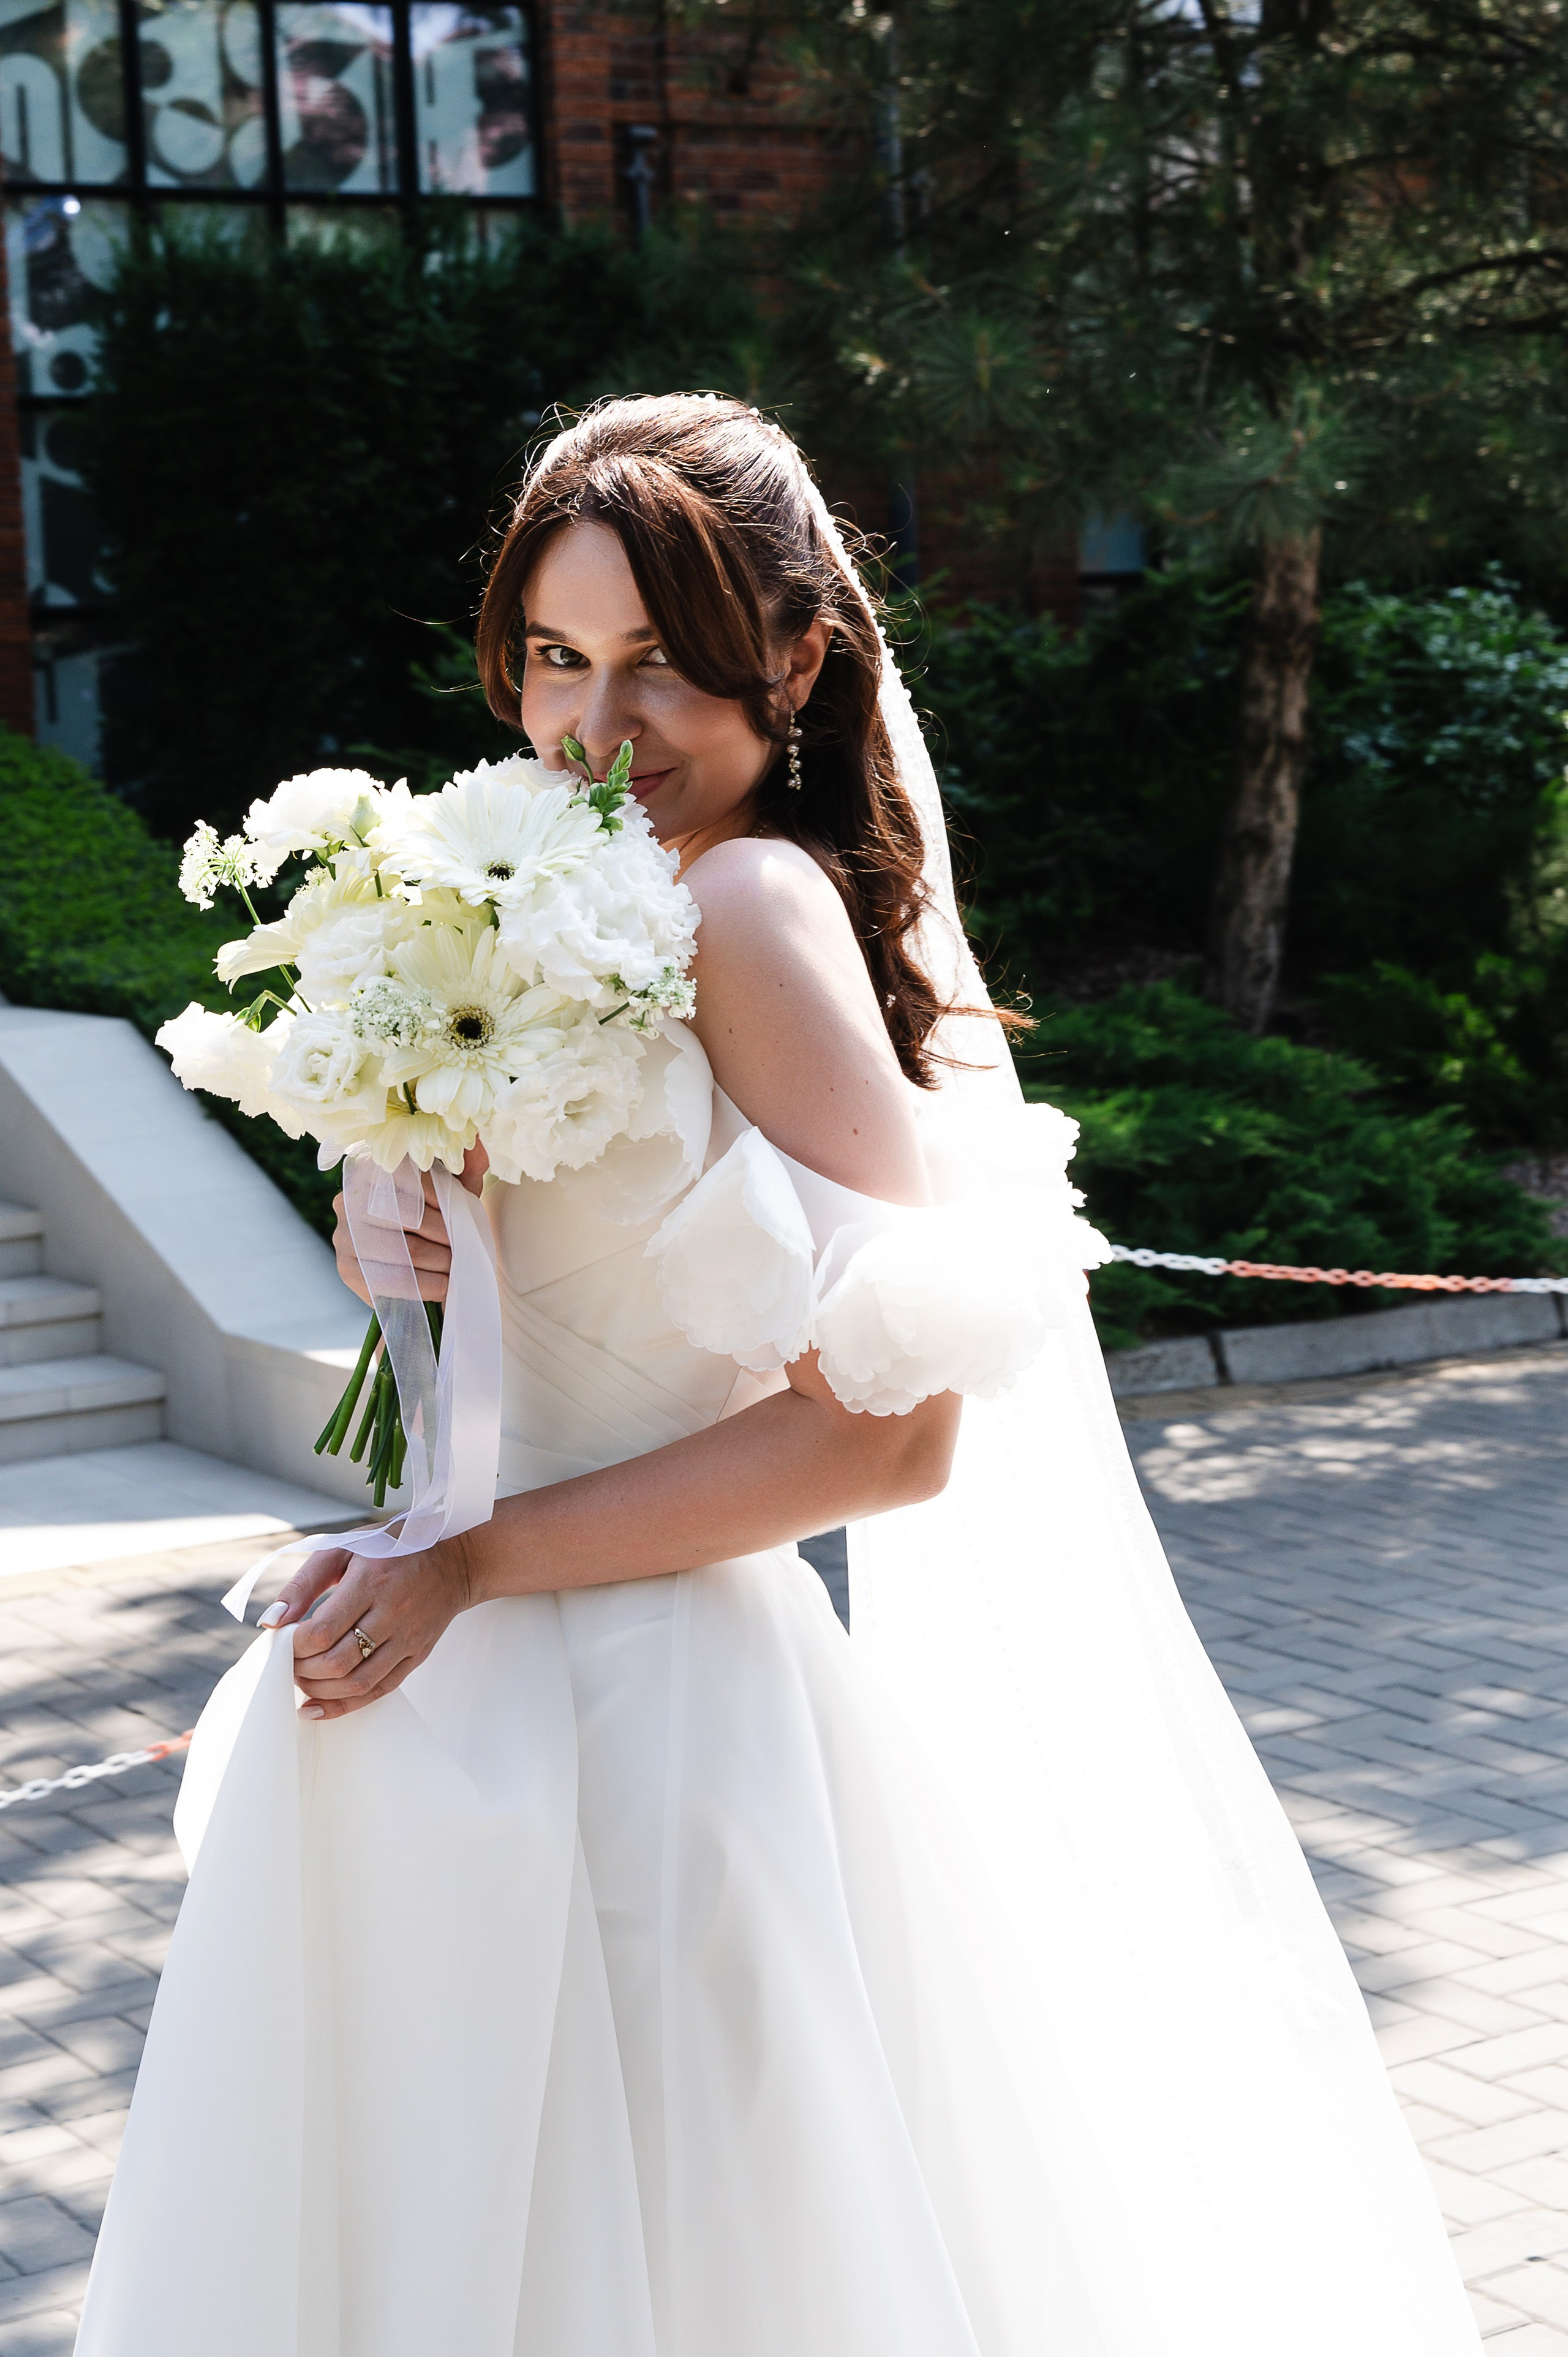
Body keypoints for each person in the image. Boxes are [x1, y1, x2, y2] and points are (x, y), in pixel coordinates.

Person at [75, 396, 1481, 2356]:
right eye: (558, 660)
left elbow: (892, 1437)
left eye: (661, 665)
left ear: (798, 660)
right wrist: (396, 1209)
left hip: (639, 1717)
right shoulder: (550, 903)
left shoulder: (745, 904)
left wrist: (468, 1564)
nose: (594, 726)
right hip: (459, 1683)